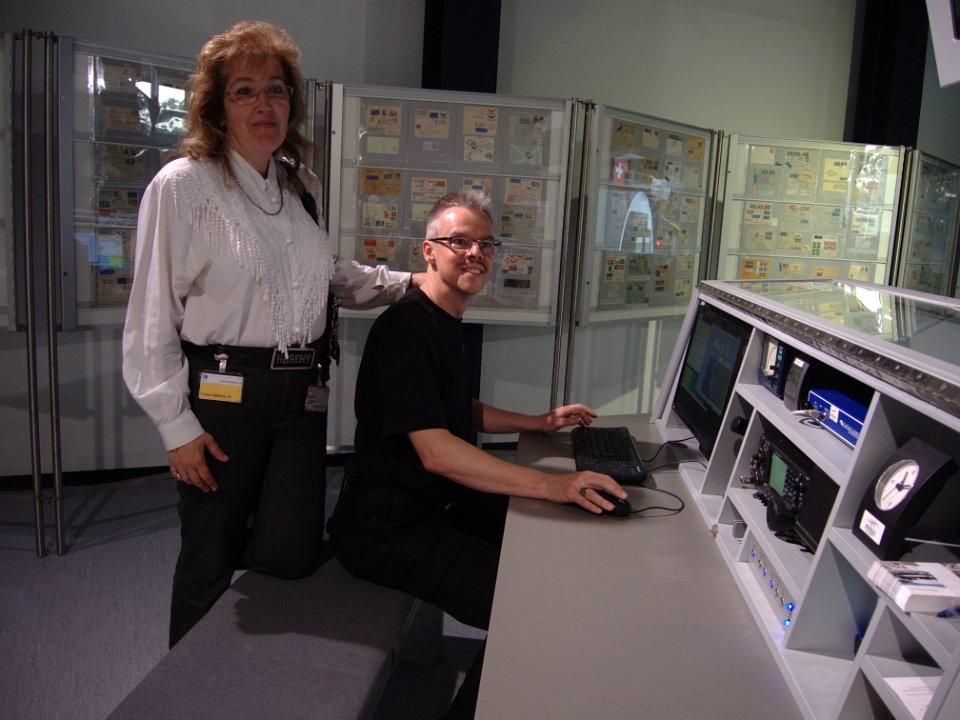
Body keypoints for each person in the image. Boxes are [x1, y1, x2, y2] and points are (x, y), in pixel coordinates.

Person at [122, 21, 418, 648]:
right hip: (224, 394)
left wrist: (410, 283)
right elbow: (150, 315)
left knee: (290, 553)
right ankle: (189, 686)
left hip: (302, 395)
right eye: (244, 90)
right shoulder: (183, 186)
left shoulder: (299, 185)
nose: (264, 104)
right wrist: (177, 429)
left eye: (276, 90)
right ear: (216, 107)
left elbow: (326, 275)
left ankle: (257, 667)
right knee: (208, 555)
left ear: (292, 103)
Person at [326, 189, 626, 719]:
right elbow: (438, 452)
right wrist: (552, 484)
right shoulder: (405, 329)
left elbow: (450, 407)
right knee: (530, 608)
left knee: (554, 548)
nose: (475, 254)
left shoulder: (442, 319)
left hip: (432, 503)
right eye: (460, 242)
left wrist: (537, 423)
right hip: (385, 528)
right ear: (428, 251)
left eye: (486, 245)